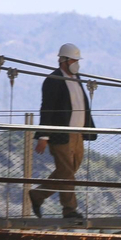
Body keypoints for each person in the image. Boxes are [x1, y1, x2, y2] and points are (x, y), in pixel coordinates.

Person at [29, 43, 95, 223]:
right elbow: (47, 108)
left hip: (78, 134)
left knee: (69, 170)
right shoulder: (53, 80)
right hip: (61, 134)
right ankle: (69, 210)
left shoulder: (77, 78)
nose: (76, 63)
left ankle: (37, 195)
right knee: (67, 171)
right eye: (74, 60)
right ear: (64, 61)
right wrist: (44, 136)